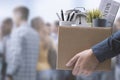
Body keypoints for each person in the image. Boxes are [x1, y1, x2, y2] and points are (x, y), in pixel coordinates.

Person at [6, 6, 40, 80]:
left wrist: (9, 73)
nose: (13, 19)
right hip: (31, 76)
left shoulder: (17, 32)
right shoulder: (35, 34)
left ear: (18, 15)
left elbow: (15, 56)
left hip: (18, 76)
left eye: (13, 16)